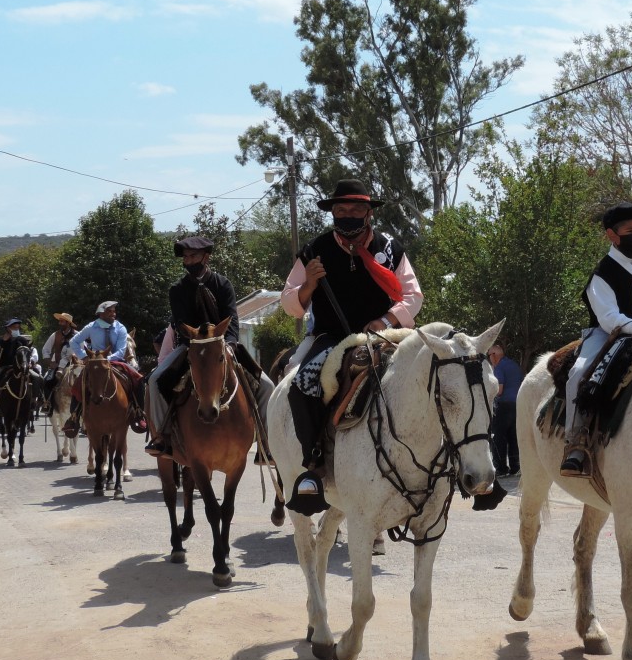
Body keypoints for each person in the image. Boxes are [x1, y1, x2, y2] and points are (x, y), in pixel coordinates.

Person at [280, 178, 423, 514]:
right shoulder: (314, 251)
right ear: (332, 213)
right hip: (330, 337)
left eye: (356, 209)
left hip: (383, 334)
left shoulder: (390, 249)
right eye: (341, 210)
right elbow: (289, 303)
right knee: (301, 385)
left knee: (427, 374)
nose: (348, 215)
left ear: (368, 213)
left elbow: (413, 296)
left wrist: (385, 321)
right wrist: (309, 285)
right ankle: (313, 465)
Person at [561, 201, 632, 477]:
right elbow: (608, 317)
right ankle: (576, 442)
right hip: (609, 335)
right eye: (631, 230)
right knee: (579, 373)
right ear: (612, 234)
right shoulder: (603, 272)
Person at [144, 235, 275, 457]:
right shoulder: (177, 289)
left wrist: (231, 344)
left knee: (267, 385)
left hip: (225, 345)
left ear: (206, 256)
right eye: (185, 257)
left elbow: (232, 319)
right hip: (191, 346)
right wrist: (194, 344)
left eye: (193, 256)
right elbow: (180, 323)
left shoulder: (223, 284)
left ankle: (266, 441)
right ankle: (161, 437)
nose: (188, 261)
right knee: (155, 380)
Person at [67, 301, 146, 435]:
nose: (113, 314)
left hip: (116, 361)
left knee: (137, 379)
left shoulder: (120, 328)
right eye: (109, 311)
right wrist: (83, 356)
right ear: (100, 313)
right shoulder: (91, 327)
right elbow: (73, 341)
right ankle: (74, 416)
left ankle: (139, 413)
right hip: (95, 363)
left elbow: (121, 351)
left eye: (114, 311)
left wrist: (105, 359)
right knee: (79, 383)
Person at [487, 343, 524, 477]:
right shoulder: (514, 365)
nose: (489, 358)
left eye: (489, 355)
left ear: (494, 355)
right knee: (513, 437)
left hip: (503, 406)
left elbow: (499, 389)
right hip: (517, 404)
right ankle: (516, 467)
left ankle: (501, 468)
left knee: (498, 437)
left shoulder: (499, 367)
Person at [40, 312, 77, 398]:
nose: (59, 323)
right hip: (57, 365)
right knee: (47, 381)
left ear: (68, 323)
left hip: (75, 365)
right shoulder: (55, 335)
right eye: (59, 321)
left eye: (62, 321)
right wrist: (50, 363)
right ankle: (47, 404)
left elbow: (83, 349)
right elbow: (45, 349)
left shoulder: (77, 335)